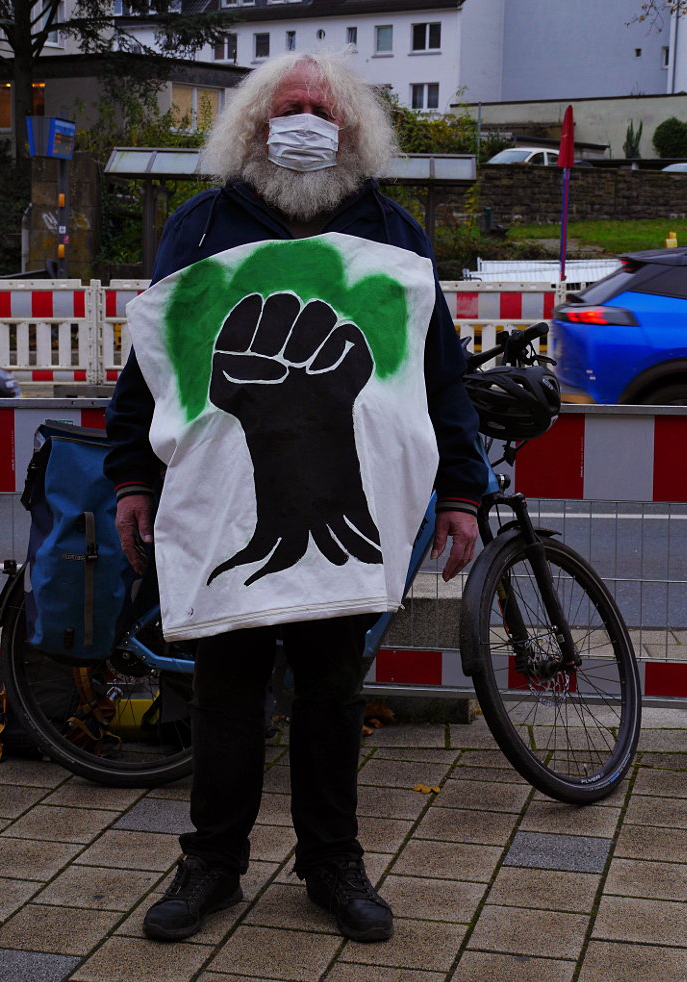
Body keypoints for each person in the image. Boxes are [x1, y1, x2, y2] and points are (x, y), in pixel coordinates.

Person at [104, 51, 489, 945]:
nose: (306, 120)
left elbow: (440, 373)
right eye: (290, 106)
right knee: (226, 688)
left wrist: (464, 490)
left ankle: (333, 862)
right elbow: (151, 361)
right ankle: (211, 863)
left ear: (352, 129)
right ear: (254, 123)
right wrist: (132, 474)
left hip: (342, 511)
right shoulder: (200, 229)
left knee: (330, 691)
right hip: (221, 504)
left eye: (322, 107)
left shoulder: (394, 235)